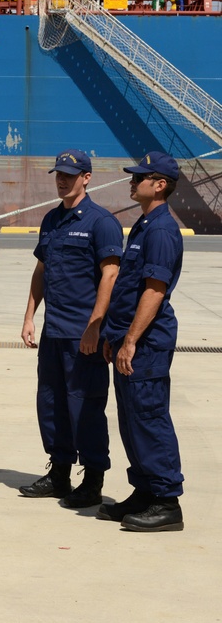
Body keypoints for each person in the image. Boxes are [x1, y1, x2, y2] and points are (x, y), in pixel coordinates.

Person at [19, 149, 121, 507]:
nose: (62, 179)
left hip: (84, 336)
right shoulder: (51, 220)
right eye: (58, 174)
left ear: (87, 177)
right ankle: (59, 473)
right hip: (53, 332)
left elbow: (110, 274)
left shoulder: (100, 222)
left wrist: (95, 327)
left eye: (69, 174)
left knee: (86, 406)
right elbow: (42, 271)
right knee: (51, 403)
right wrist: (30, 315)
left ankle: (92, 480)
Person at [98, 151, 185, 532]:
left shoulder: (162, 230)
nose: (132, 182)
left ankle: (167, 501)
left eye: (140, 177)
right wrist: (114, 336)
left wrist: (131, 340)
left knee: (149, 418)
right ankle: (145, 491)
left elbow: (154, 290)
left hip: (147, 344)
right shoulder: (145, 224)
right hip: (129, 340)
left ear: (160, 184)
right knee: (132, 419)